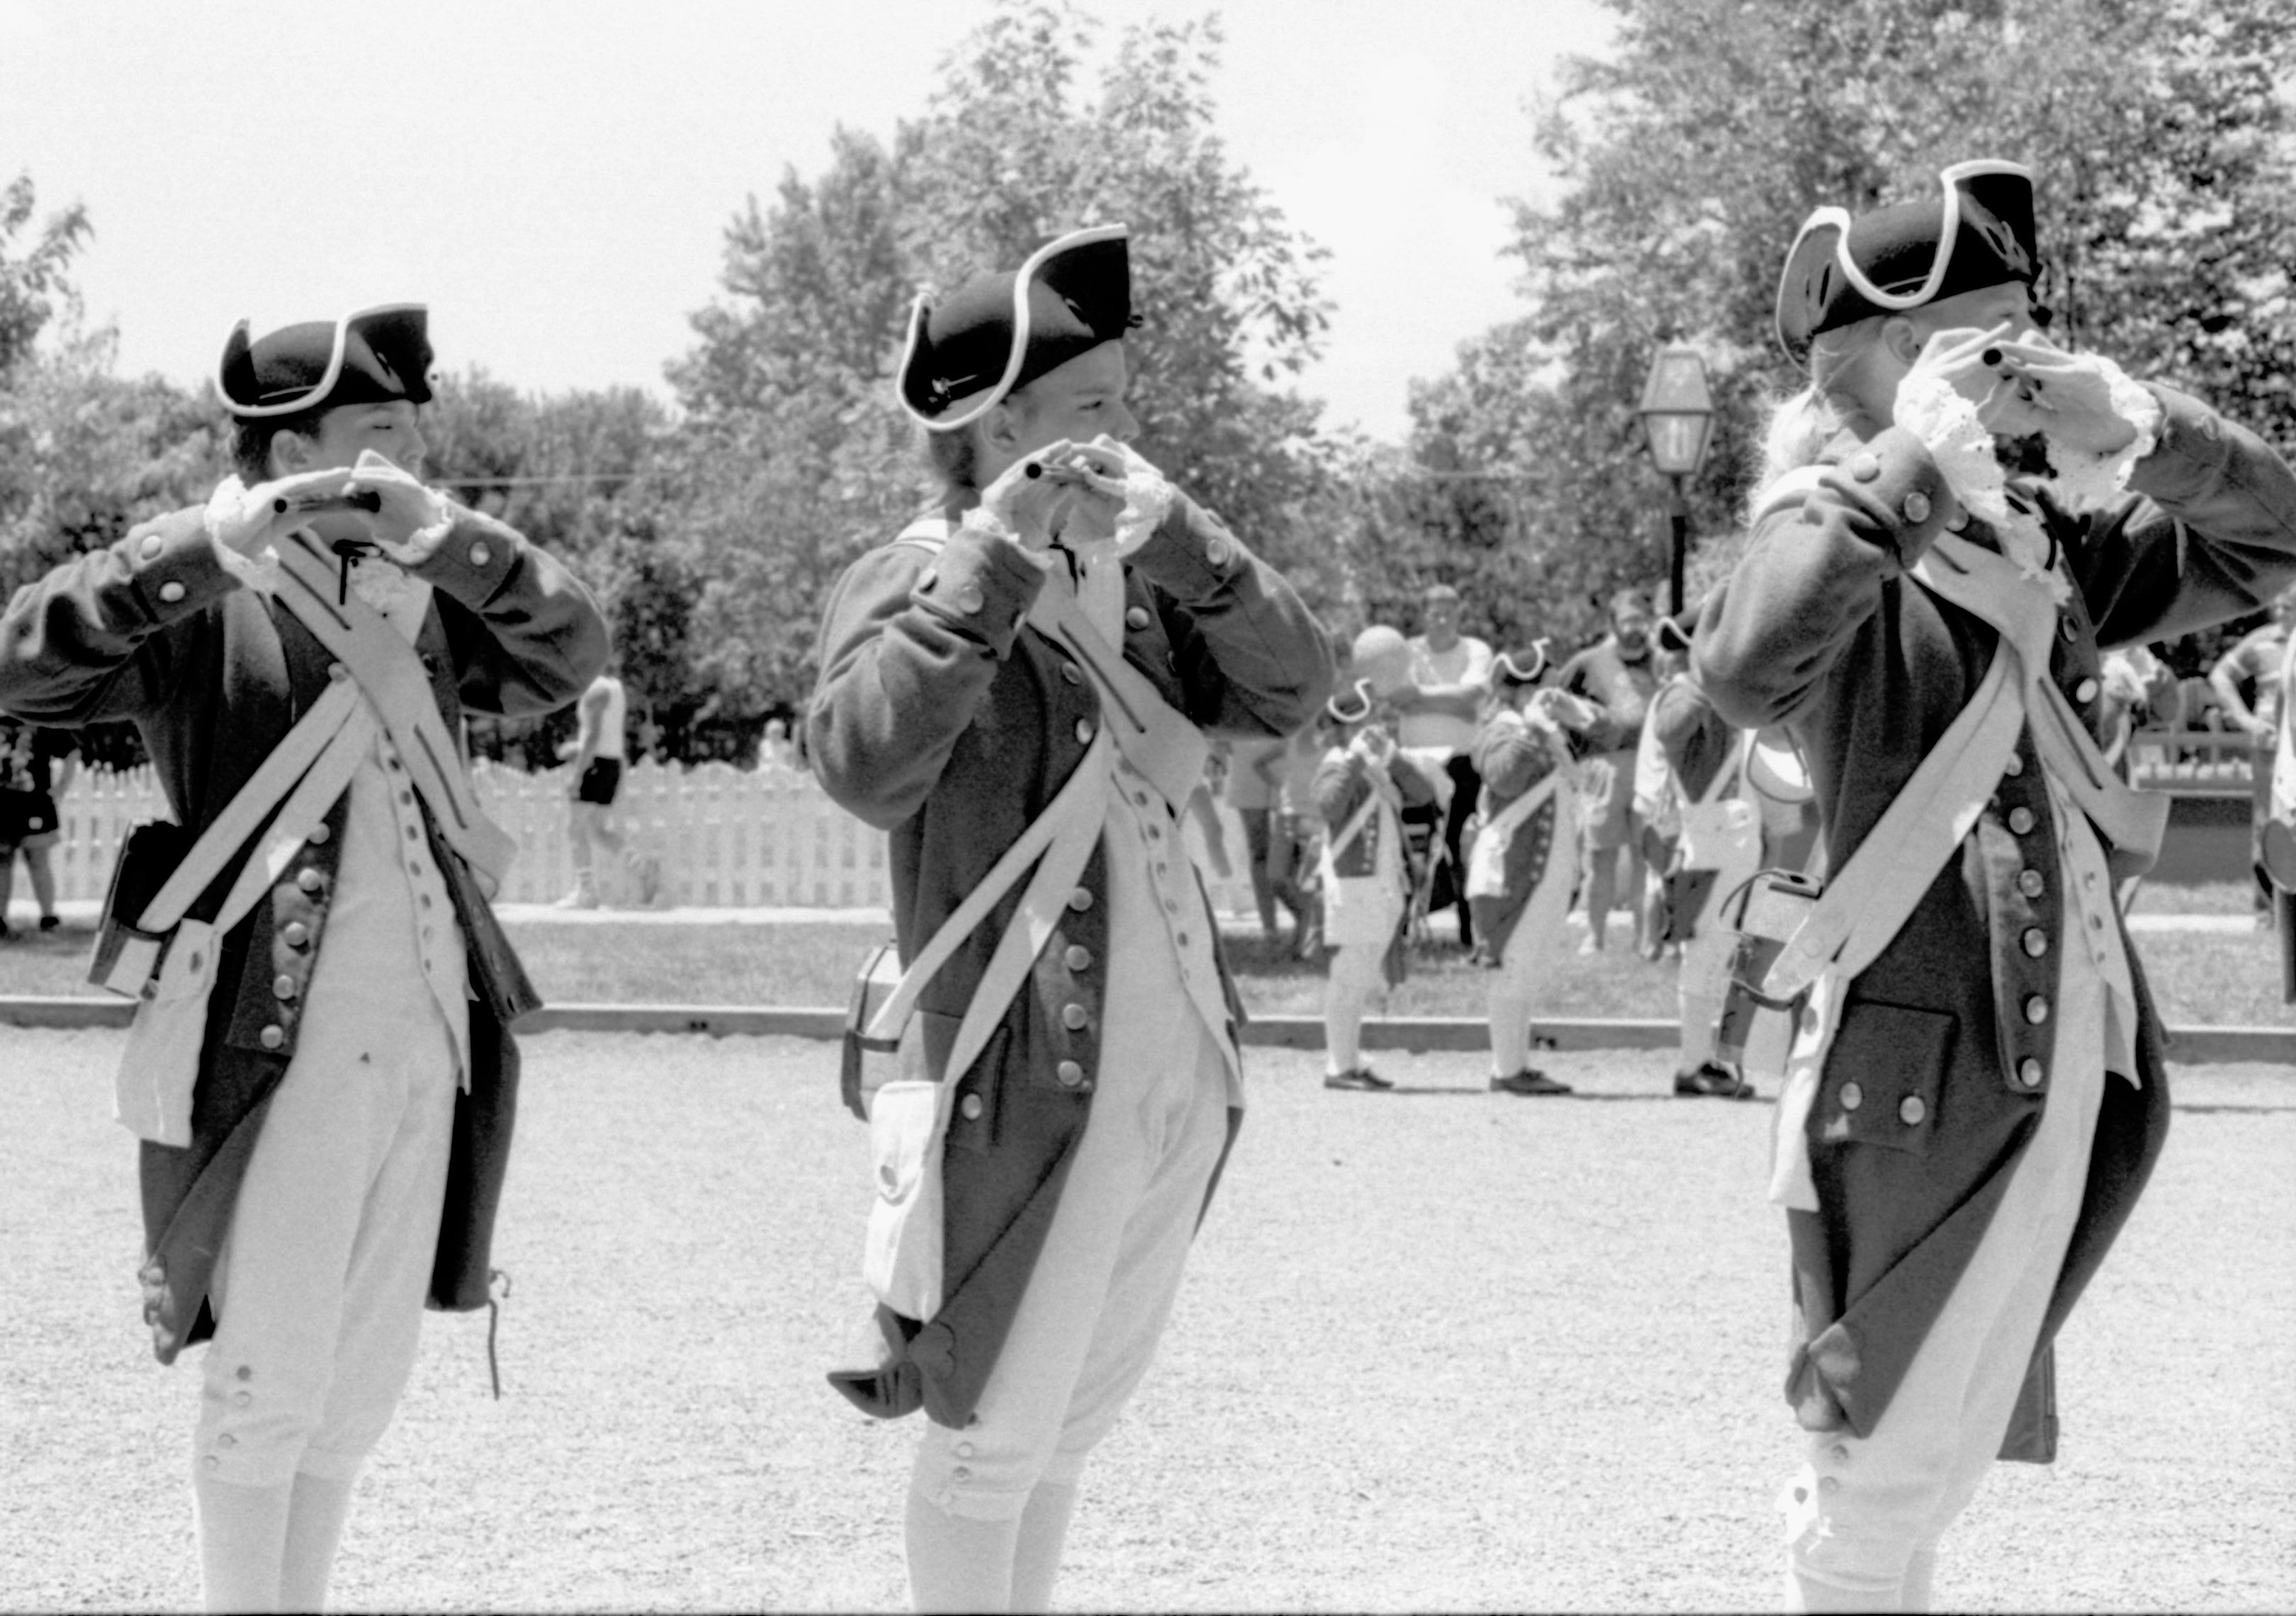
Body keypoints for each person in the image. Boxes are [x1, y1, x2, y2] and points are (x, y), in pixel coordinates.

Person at [1695, 158, 2296, 1612]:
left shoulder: (2041, 541)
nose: (2024, 372)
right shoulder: (1833, 520)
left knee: (1934, 1462)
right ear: (1889, 359)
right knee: (1878, 1470)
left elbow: (2274, 534)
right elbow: (1742, 667)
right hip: (1923, 1051)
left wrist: (2138, 430)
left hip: (2054, 1043)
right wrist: (1915, 461)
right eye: (1992, 340)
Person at [0, 303, 606, 1611]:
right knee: (268, 1378)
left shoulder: (431, 599)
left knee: (357, 1387)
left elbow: (573, 649)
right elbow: (19, 665)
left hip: (431, 1030)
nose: (408, 471)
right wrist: (198, 549)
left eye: (410, 443)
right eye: (378, 440)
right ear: (288, 456)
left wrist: (451, 538)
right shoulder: (208, 603)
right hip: (273, 1044)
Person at [808, 225, 1332, 1614]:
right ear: (1001, 426)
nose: (1121, 432)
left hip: (1170, 1065)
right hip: (1017, 1074)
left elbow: (1291, 688)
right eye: (1091, 407)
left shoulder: (1145, 582)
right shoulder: (914, 575)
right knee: (988, 1441)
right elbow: (864, 763)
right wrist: (993, 555)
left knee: (1055, 1442)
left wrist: (1187, 542)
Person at [1648, 634, 1823, 1099]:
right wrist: (1707, 679)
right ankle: (1692, 1065)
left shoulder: (1742, 709)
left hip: (1742, 849)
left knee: (1723, 959)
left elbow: (1772, 784)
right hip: (1703, 847)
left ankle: (1710, 1058)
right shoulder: (1686, 695)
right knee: (1700, 958)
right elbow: (1670, 727)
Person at [1467, 650, 1602, 1096]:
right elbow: (1504, 777)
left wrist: (1567, 717)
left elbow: (1611, 732)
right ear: (1521, 689)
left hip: (1542, 866)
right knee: (1513, 967)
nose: (1555, 694)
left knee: (1527, 968)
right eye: (1547, 686)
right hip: (1512, 867)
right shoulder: (1500, 731)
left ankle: (1516, 1063)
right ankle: (1506, 1069)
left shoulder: (1544, 732)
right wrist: (1531, 725)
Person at [1313, 682, 1434, 1092]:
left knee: (1361, 977)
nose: (1376, 728)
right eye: (1367, 721)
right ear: (1347, 726)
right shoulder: (1336, 761)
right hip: (1352, 885)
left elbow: (1423, 794)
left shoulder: (1377, 764)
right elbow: (1328, 806)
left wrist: (1392, 759)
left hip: (1381, 884)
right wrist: (1353, 760)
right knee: (1347, 976)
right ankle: (1338, 1064)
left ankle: (1350, 1059)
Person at [1556, 587, 1662, 955]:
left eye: (1641, 621)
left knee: (1644, 855)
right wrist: (1576, 750)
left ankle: (1643, 937)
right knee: (1600, 857)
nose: (1635, 629)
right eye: (1627, 621)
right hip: (1603, 769)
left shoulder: (1660, 662)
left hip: (1650, 767)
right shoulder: (1589, 662)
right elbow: (1556, 701)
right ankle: (1595, 935)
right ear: (1613, 624)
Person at [1393, 582, 1495, 948]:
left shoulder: (1475, 650)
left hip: (1462, 762)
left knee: (1464, 846)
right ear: (1423, 614)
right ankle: (1402, 930)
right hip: (1413, 765)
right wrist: (1446, 700)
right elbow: (1397, 699)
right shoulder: (1406, 651)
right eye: (1433, 611)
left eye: (1448, 611)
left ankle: (1472, 933)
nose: (1440, 618)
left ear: (1459, 614)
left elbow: (1472, 701)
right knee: (1408, 850)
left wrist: (1419, 696)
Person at [2206, 589, 2295, 919]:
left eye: (2289, 604)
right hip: (2271, 747)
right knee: (2268, 822)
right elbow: (2221, 675)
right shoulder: (2262, 642)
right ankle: (2266, 909)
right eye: (2280, 603)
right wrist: (2244, 719)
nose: (2281, 608)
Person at [554, 656, 660, 909]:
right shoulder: (615, 688)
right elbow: (608, 734)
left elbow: (592, 735)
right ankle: (640, 864)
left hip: (594, 764)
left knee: (575, 829)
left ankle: (586, 892)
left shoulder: (595, 690)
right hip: (612, 763)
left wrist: (577, 774)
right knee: (598, 830)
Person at [0, 718, 74, 936]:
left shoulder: (36, 717)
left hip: (34, 807)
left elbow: (71, 751)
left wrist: (62, 787)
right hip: (2, 808)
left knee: (38, 860)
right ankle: (0, 919)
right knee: (2, 863)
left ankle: (48, 917)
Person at [1220, 731, 1291, 941]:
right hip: (1247, 772)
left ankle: (1305, 917)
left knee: (1293, 850)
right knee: (1259, 852)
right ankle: (1270, 928)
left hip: (1284, 768)